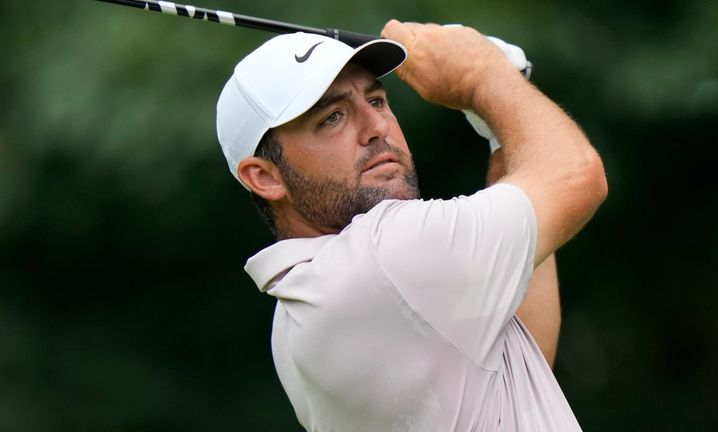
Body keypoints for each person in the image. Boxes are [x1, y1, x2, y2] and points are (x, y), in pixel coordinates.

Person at [216, 20, 607, 432]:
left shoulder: (295, 315)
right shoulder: (384, 256)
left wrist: (500, 131)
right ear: (265, 177)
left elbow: (524, 362)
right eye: (332, 117)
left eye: (377, 101)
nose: (377, 127)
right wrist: (483, 74)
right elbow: (577, 175)